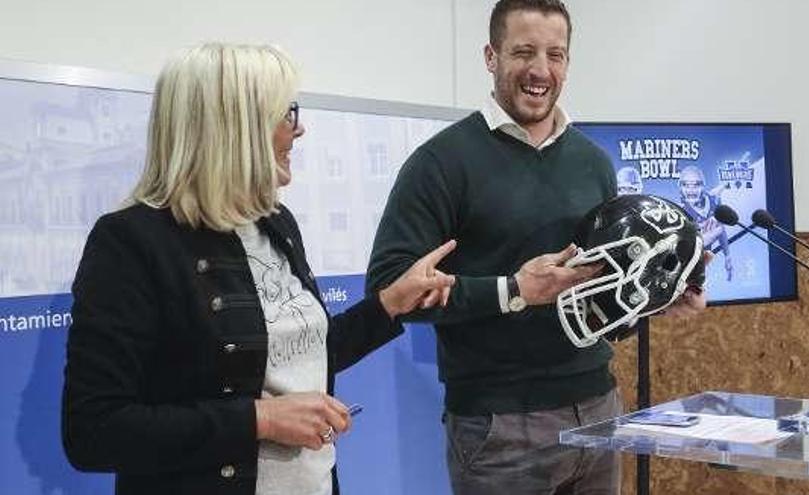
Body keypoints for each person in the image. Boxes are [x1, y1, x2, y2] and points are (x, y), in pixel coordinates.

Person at [61, 43, 456, 495]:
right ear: (236, 127)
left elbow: (294, 358)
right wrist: (260, 419)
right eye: (286, 113)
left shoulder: (275, 224)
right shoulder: (131, 242)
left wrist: (388, 305)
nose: (299, 128)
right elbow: (93, 430)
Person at [366, 1, 706, 494]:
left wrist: (658, 296)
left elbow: (597, 292)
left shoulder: (592, 162)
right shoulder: (440, 163)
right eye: (523, 52)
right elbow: (389, 289)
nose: (540, 71)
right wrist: (514, 289)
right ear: (491, 56)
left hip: (597, 407)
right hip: (498, 425)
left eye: (556, 54)